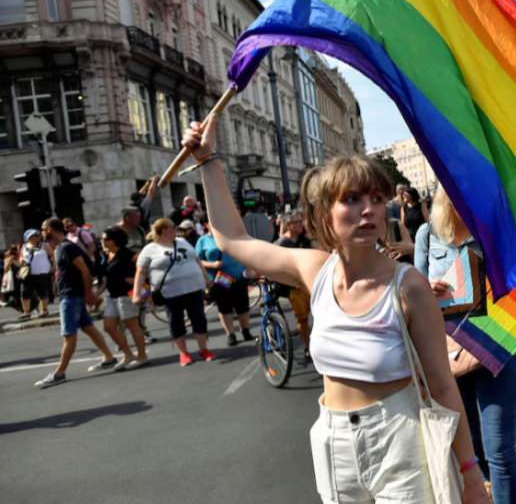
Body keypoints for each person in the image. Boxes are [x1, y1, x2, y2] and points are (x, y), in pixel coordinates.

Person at [182, 119, 491, 504]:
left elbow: (443, 386)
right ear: (325, 212)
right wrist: (207, 158)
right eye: (352, 199)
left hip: (401, 439)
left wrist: (470, 474)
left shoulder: (408, 285)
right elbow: (232, 238)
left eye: (377, 199)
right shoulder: (314, 269)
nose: (369, 210)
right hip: (333, 443)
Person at [414, 186, 516, 504]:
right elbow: (410, 296)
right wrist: (424, 287)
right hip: (449, 355)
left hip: (497, 351)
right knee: (468, 448)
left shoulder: (496, 230)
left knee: (499, 449)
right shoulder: (427, 235)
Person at [34, 218, 117, 388]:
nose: (41, 232)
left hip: (72, 296)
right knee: (88, 327)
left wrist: (87, 292)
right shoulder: (61, 247)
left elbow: (84, 269)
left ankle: (59, 373)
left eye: (43, 228)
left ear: (50, 229)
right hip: (71, 295)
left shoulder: (66, 247)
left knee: (69, 335)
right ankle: (109, 357)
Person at [133, 218, 214, 366]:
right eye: (173, 227)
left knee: (199, 318)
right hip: (170, 292)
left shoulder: (182, 242)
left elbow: (196, 260)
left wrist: (206, 277)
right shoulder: (149, 249)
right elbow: (141, 272)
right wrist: (136, 293)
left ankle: (203, 349)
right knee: (176, 322)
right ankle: (184, 353)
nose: (176, 229)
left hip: (193, 287)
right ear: (164, 230)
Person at [96, 226, 148, 370]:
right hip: (112, 296)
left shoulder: (126, 253)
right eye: (101, 239)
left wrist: (138, 279)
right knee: (109, 327)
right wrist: (97, 293)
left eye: (106, 239)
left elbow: (145, 265)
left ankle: (142, 356)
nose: (103, 242)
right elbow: (107, 280)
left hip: (126, 295)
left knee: (132, 326)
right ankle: (128, 354)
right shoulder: (108, 255)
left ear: (115, 240)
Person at [197, 229, 253, 347]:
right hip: (220, 280)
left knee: (243, 306)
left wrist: (249, 267)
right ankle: (230, 334)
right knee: (225, 308)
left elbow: (244, 253)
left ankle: (245, 331)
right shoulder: (203, 241)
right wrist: (212, 265)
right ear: (207, 225)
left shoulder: (233, 235)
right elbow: (197, 261)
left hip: (238, 276)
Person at [274, 209, 314, 361]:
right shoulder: (281, 244)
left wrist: (310, 237)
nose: (301, 224)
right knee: (303, 319)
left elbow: (319, 253)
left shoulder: (305, 239)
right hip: (296, 288)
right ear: (288, 225)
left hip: (311, 285)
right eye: (297, 222)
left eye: (301, 221)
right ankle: (307, 346)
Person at [117, 207, 155, 343]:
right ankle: (120, 336)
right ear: (127, 218)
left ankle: (143, 331)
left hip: (139, 272)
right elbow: (111, 254)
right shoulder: (114, 231)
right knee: (124, 305)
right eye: (137, 217)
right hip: (123, 274)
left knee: (141, 302)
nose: (140, 219)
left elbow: (145, 249)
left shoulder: (138, 230)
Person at [20, 229, 53, 320]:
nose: (39, 237)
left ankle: (44, 310)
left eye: (39, 235)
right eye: (36, 235)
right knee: (25, 291)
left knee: (41, 291)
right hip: (28, 273)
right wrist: (21, 260)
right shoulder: (24, 247)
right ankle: (26, 311)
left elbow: (53, 255)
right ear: (29, 238)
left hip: (42, 271)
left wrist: (53, 266)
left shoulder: (44, 245)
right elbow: (21, 257)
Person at [2, 244, 22, 310]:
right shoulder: (7, 259)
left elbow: (21, 266)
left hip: (20, 278)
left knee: (21, 293)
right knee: (14, 294)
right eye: (13, 250)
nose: (15, 251)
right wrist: (9, 260)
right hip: (12, 279)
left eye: (16, 249)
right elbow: (5, 269)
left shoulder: (20, 258)